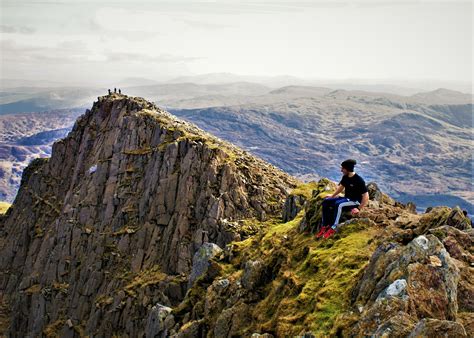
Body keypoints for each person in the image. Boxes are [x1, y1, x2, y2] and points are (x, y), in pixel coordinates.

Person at [317, 159, 369, 238]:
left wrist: (359, 208)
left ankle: (334, 227)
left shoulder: (359, 180)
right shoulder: (345, 177)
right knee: (326, 202)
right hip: (346, 198)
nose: (341, 170)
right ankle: (325, 226)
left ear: (348, 169)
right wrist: (332, 196)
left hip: (354, 201)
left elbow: (366, 196)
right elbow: (341, 187)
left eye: (343, 168)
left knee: (339, 205)